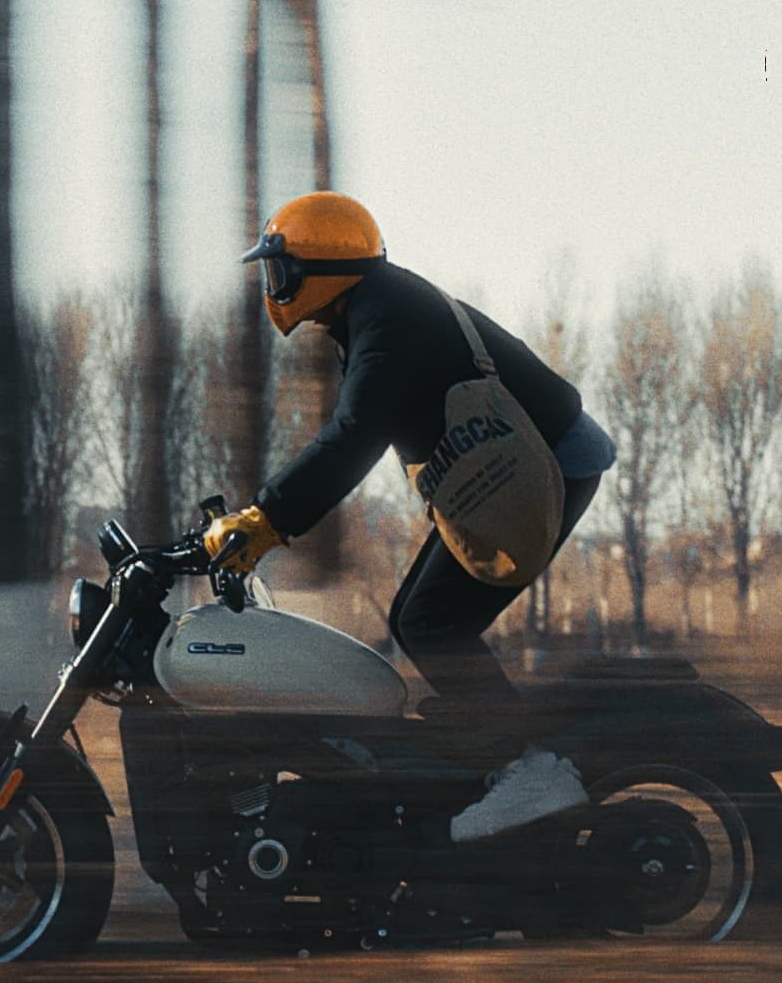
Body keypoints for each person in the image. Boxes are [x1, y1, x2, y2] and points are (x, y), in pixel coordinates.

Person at [201, 191, 616, 842]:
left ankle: (530, 771)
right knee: (414, 618)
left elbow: (354, 436)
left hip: (549, 464)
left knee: (432, 622)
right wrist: (268, 516)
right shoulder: (377, 310)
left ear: (319, 269)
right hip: (524, 462)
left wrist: (266, 519)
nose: (274, 285)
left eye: (281, 269)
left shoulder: (385, 320)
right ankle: (491, 762)